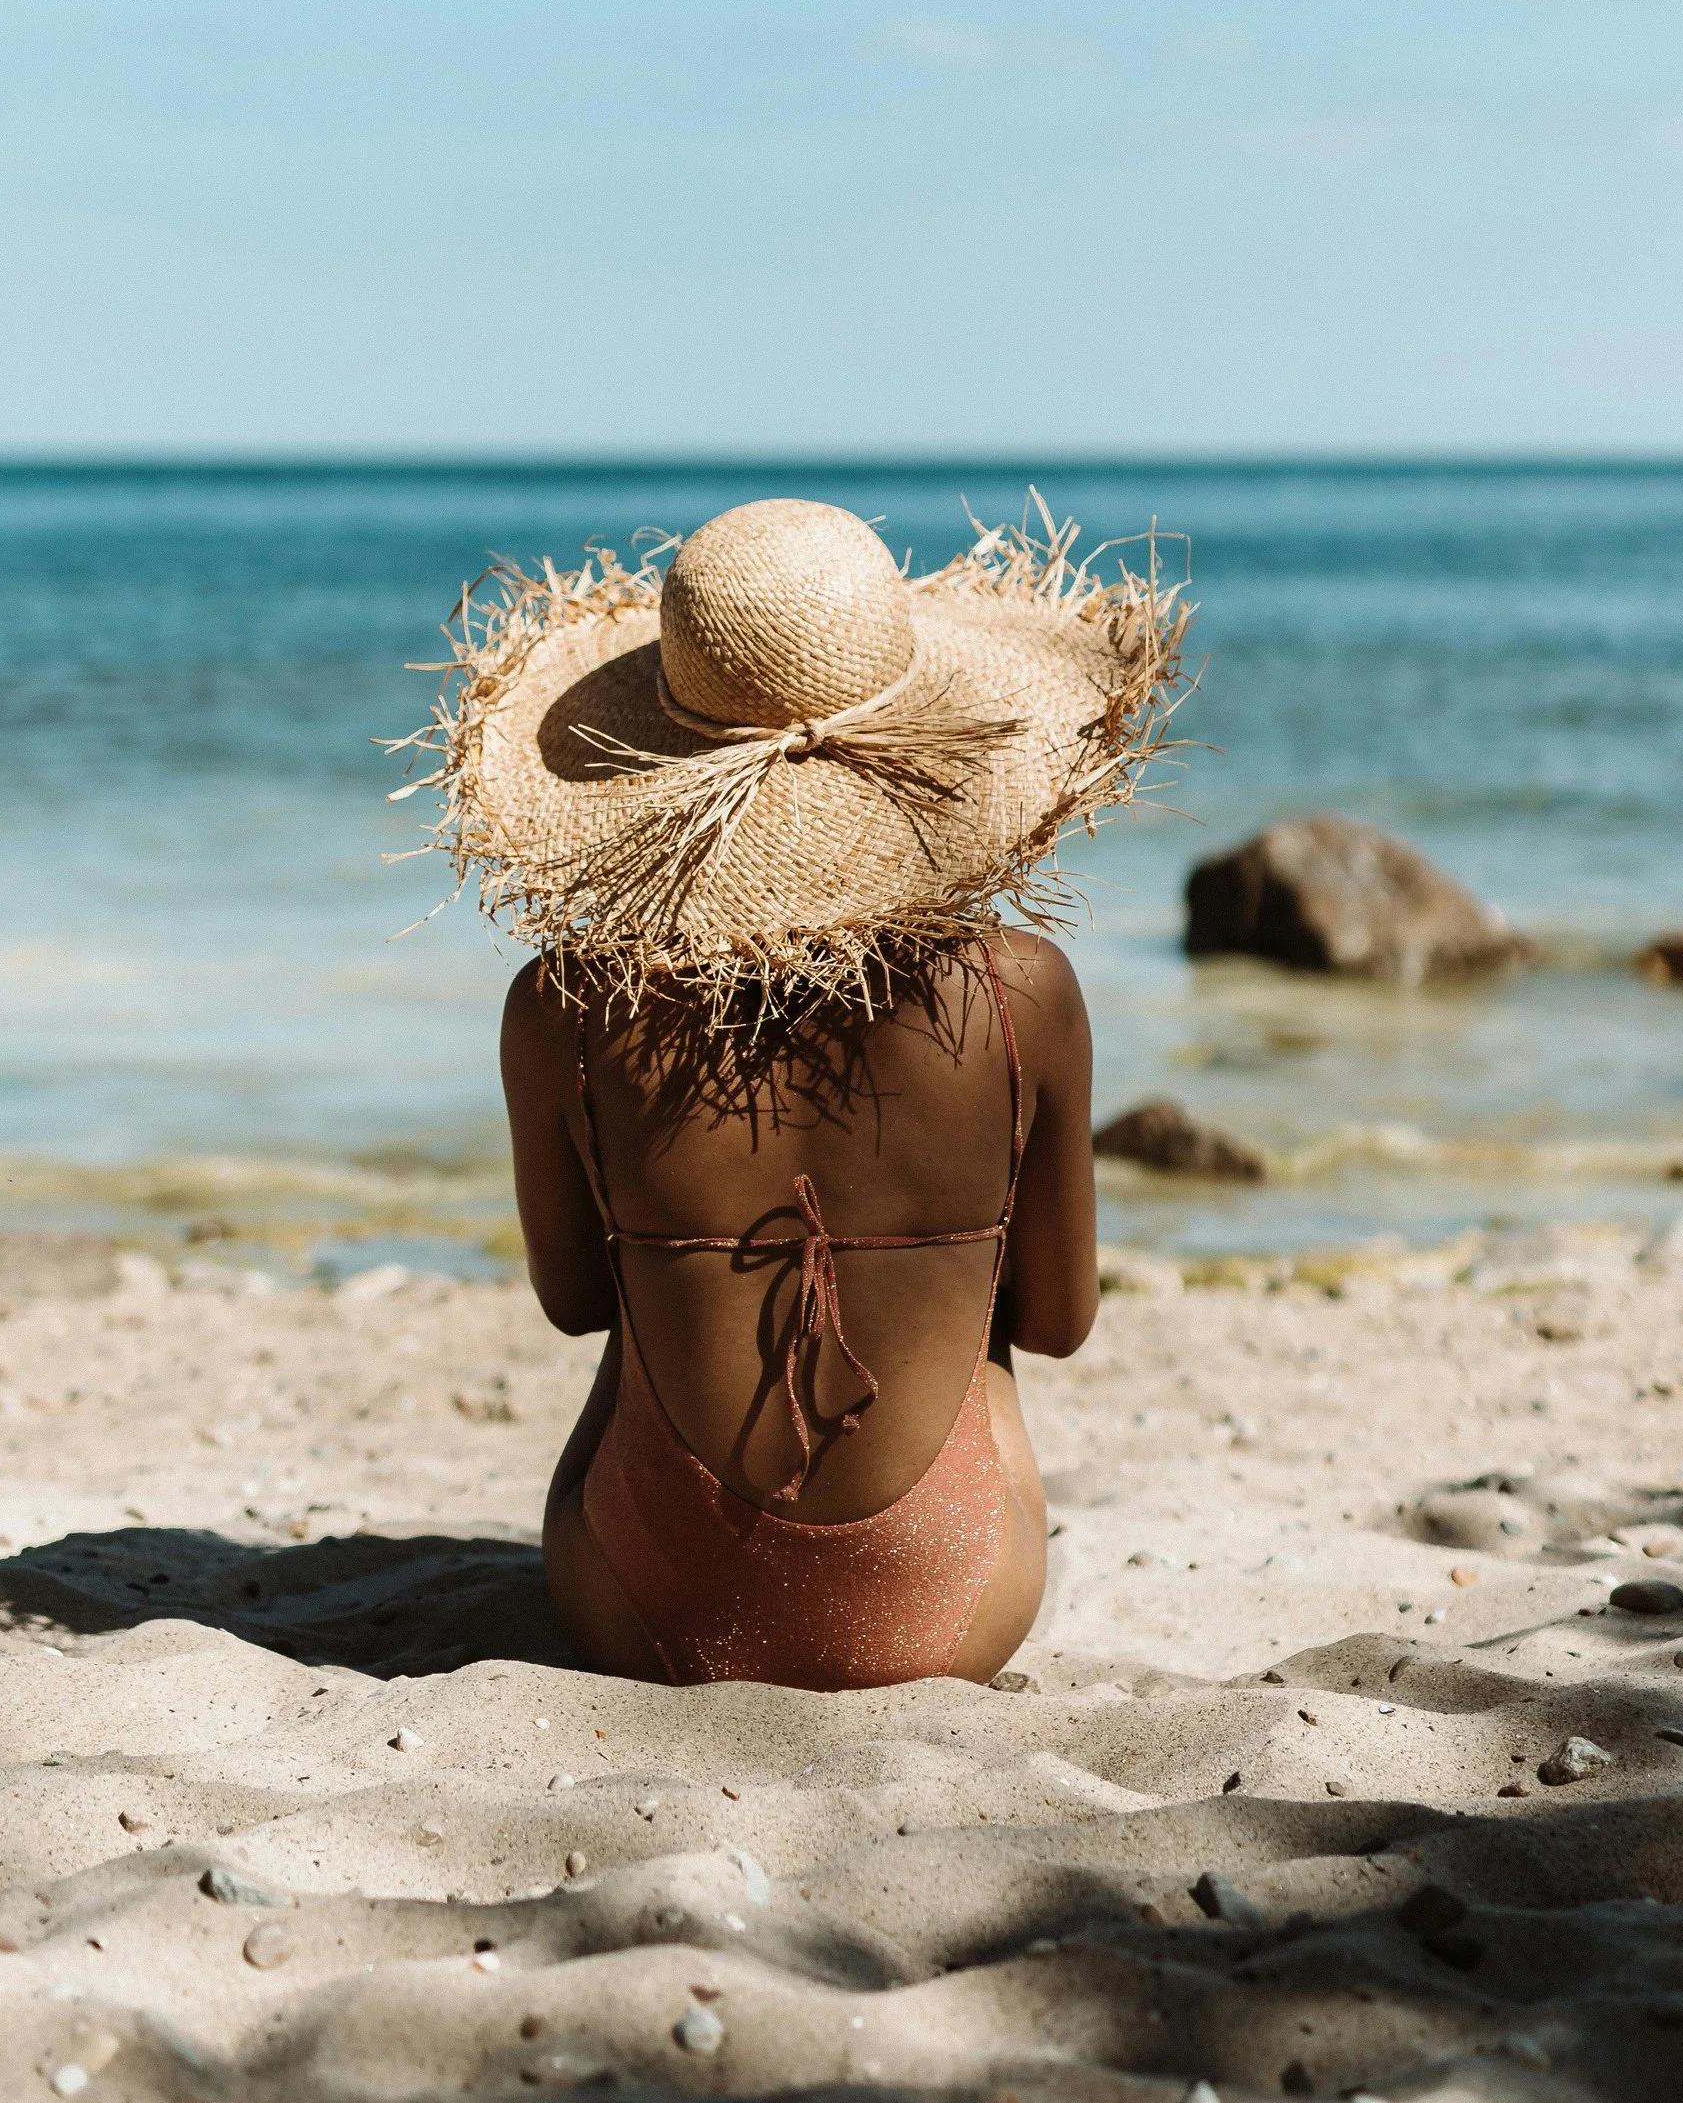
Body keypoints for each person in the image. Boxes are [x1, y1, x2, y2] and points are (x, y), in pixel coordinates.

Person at [414, 493, 1185, 1689]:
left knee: (638, 1309)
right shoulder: (1024, 992)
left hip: (641, 1606)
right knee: (975, 1327)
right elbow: (1057, 1321)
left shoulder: (561, 1007)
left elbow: (573, 1304)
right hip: (955, 1601)